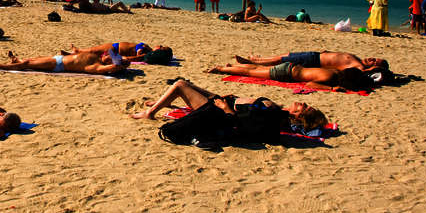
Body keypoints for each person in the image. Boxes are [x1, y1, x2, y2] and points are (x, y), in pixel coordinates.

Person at [129, 79, 328, 143]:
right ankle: (163, 101)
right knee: (187, 85)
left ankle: (150, 113)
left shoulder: (273, 112)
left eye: (303, 106)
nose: (301, 102)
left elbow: (241, 123)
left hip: (218, 110)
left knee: (181, 84)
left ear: (298, 115)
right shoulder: (276, 111)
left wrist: (225, 107)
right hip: (225, 102)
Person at [208, 62, 370, 92]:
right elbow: (311, 85)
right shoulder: (330, 79)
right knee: (252, 72)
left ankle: (231, 67)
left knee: (258, 68)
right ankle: (221, 69)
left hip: (292, 67)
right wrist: (332, 88)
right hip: (286, 73)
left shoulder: (334, 71)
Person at [0, 50, 126, 75]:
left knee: (27, 64)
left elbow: (113, 67)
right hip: (57, 59)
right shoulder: (97, 58)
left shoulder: (96, 66)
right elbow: (113, 52)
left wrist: (116, 65)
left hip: (58, 65)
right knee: (32, 60)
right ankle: (16, 60)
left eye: (110, 56)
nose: (107, 55)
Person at [234, 52, 387, 72]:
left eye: (374, 61)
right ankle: (258, 59)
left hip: (314, 61)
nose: (371, 58)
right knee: (285, 55)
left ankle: (252, 62)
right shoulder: (359, 60)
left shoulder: (358, 66)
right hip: (316, 56)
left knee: (281, 60)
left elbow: (364, 72)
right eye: (374, 57)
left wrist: (377, 70)